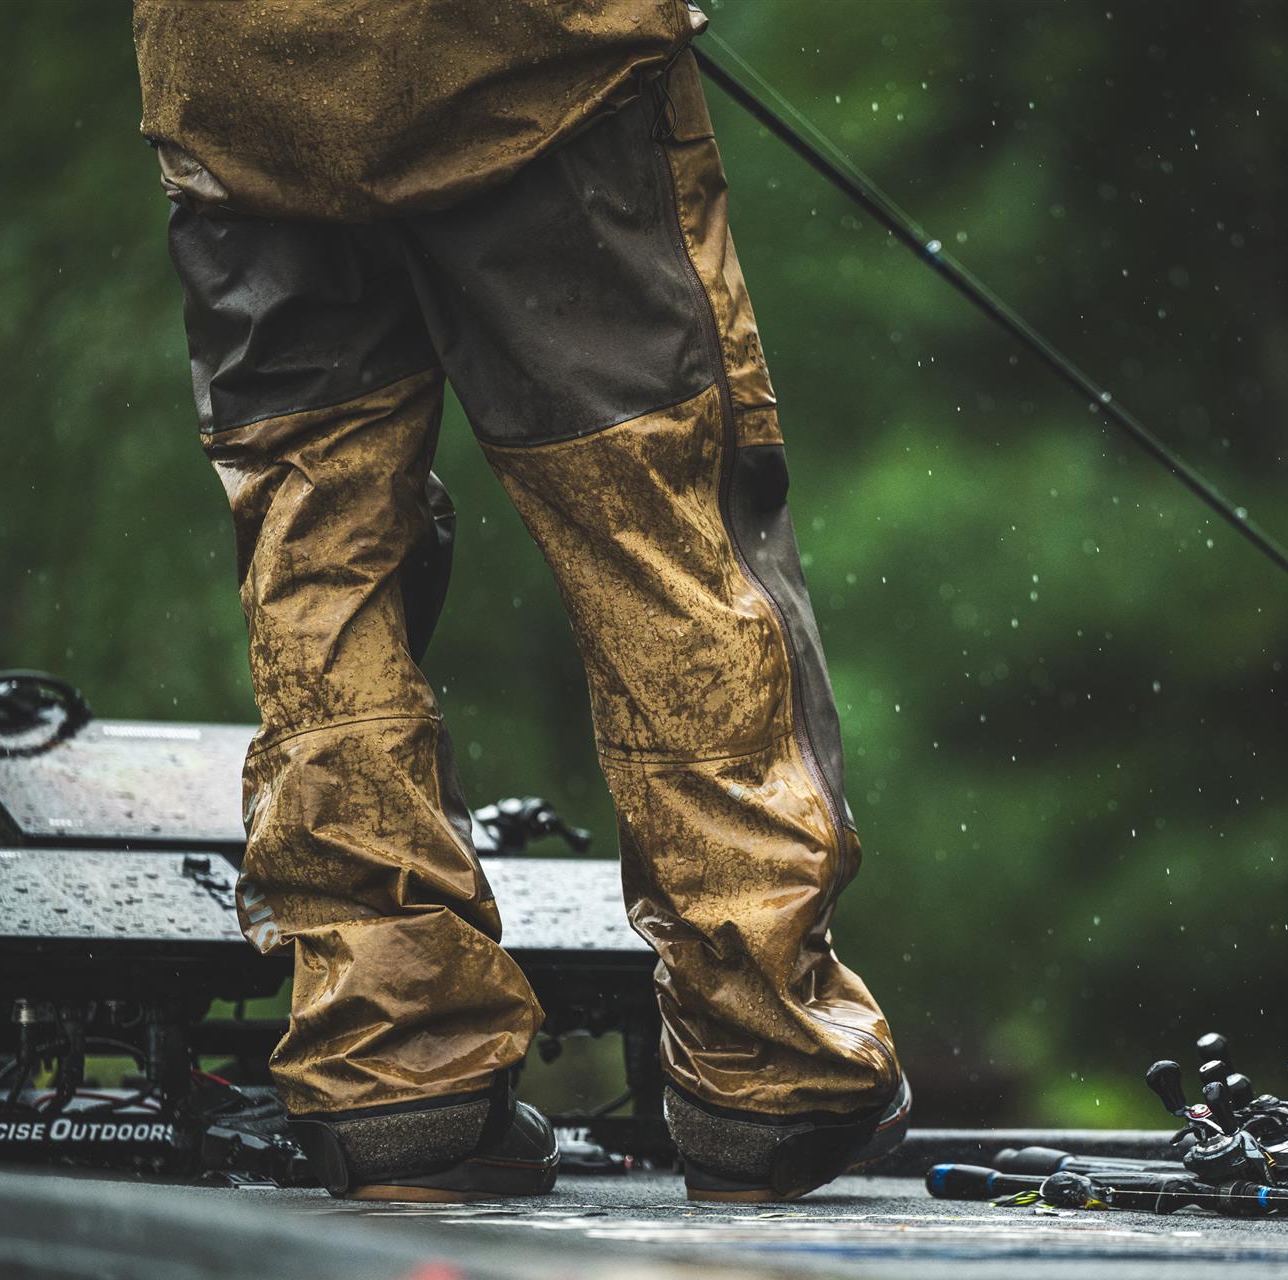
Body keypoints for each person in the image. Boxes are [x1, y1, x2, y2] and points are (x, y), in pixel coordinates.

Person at [131, 0, 907, 1203]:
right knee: (655, 524)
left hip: (240, 86)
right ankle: (760, 1055)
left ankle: (394, 1065)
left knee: (318, 557)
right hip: (527, 62)